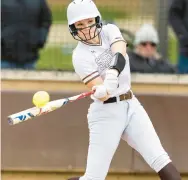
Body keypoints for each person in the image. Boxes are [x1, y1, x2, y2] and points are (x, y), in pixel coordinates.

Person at [66, 0, 181, 180]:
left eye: (89, 22)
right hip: (106, 114)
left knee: (161, 160)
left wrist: (112, 73)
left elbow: (120, 51)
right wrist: (102, 91)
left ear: (97, 20)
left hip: (131, 105)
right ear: (73, 28)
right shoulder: (79, 56)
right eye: (80, 25)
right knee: (93, 178)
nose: (86, 28)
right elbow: (99, 89)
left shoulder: (110, 30)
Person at [1, 0, 52, 69]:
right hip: (4, 57)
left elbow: (46, 20)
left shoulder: (39, 2)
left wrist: (40, 40)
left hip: (29, 57)